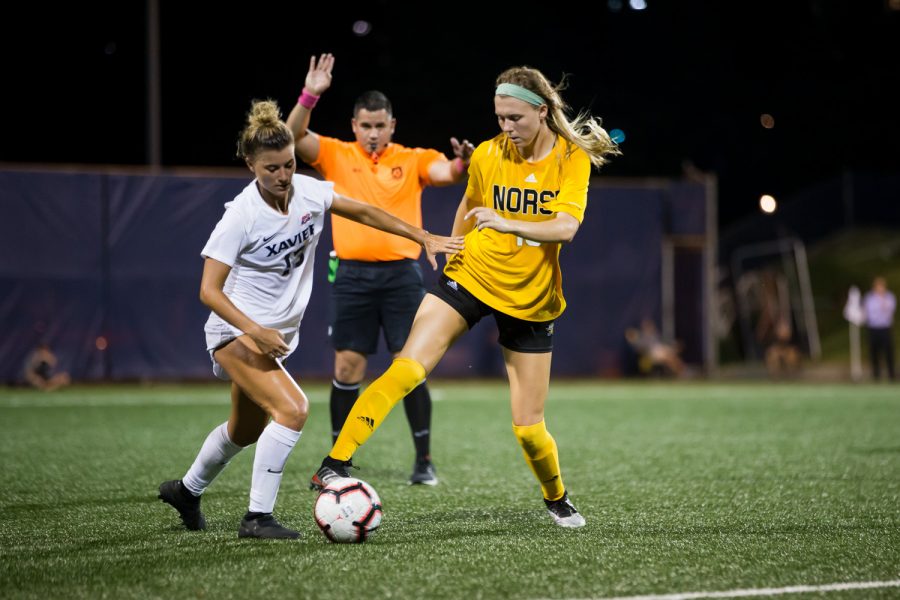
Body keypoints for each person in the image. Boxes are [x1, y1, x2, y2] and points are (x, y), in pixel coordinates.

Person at [310, 65, 620, 528]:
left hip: (531, 297)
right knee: (407, 367)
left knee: (530, 431)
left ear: (540, 111)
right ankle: (335, 463)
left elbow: (567, 228)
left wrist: (510, 222)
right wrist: (451, 246)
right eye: (500, 118)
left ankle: (557, 498)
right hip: (473, 274)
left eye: (515, 118)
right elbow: (469, 203)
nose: (506, 128)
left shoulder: (570, 158)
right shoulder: (489, 154)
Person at [157, 99, 463, 539]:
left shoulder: (308, 191)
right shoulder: (239, 216)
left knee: (245, 429)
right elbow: (208, 290)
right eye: (271, 169)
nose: (282, 177)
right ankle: (257, 518)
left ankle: (186, 491)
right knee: (293, 409)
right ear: (250, 165)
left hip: (268, 335)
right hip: (235, 332)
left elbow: (364, 211)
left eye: (288, 165)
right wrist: (256, 330)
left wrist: (422, 235)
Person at [286, 54, 475, 486]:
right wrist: (311, 93)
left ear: (393, 125)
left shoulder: (411, 159)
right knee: (348, 367)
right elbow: (292, 135)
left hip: (401, 278)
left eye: (380, 126)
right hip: (350, 276)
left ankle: (423, 460)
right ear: (355, 126)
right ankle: (338, 461)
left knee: (409, 365)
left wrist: (463, 162)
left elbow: (445, 171)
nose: (373, 133)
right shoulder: (335, 153)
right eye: (365, 126)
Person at [862, 276, 896, 381]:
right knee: (874, 352)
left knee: (888, 352)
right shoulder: (869, 298)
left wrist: (882, 300)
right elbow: (866, 312)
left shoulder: (889, 297)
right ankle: (876, 375)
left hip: (885, 328)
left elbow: (890, 310)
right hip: (873, 328)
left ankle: (891, 375)